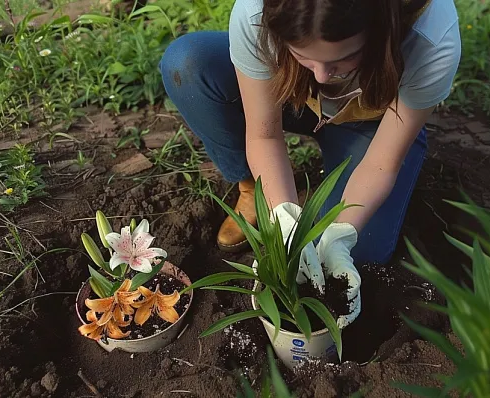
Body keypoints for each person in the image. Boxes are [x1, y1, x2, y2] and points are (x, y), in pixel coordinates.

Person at [160, 0, 461, 327]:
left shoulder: (430, 39)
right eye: (304, 54)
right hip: (290, 93)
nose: (321, 75)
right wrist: (282, 216)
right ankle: (251, 190)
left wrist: (342, 234)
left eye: (345, 57)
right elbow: (264, 137)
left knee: (349, 261)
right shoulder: (256, 11)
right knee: (189, 62)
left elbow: (381, 164)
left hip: (373, 124)